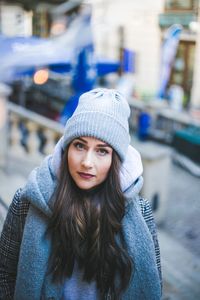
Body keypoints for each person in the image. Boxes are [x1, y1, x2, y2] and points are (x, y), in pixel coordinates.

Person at [0, 88, 162, 299]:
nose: (87, 162)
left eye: (102, 150)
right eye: (79, 145)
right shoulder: (28, 201)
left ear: (116, 160)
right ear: (66, 148)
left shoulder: (139, 212)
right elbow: (4, 275)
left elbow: (153, 286)